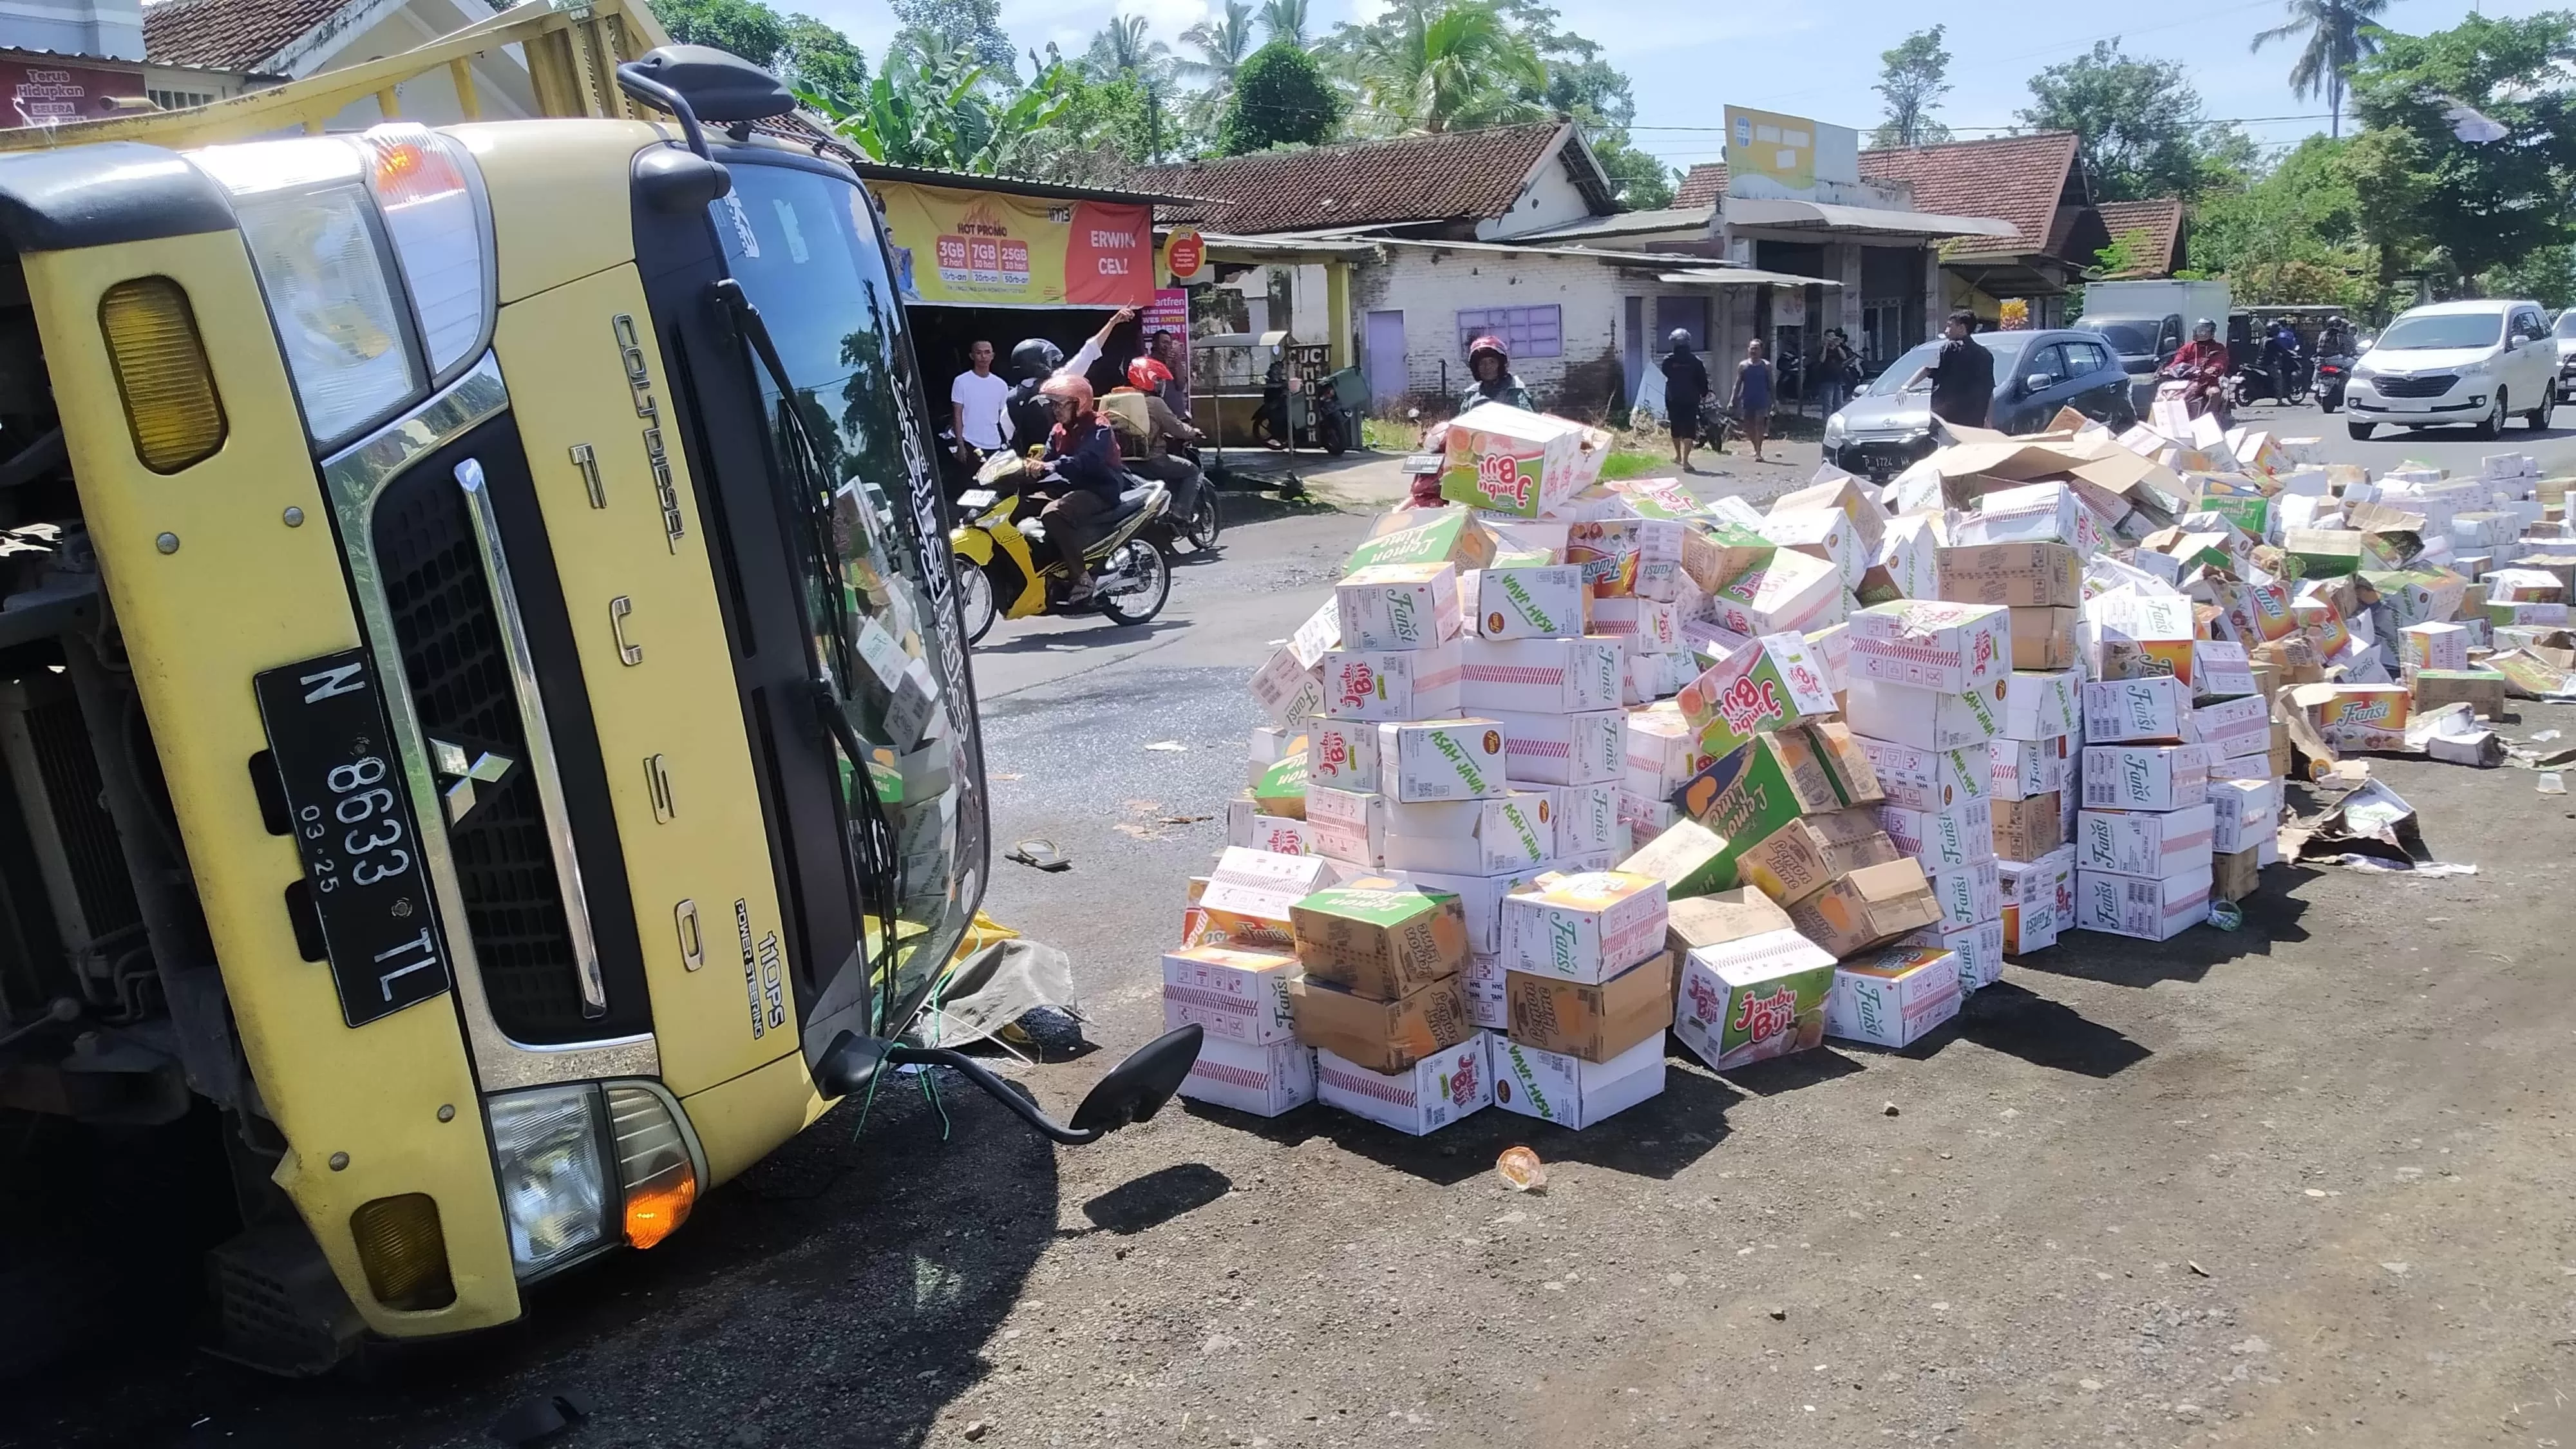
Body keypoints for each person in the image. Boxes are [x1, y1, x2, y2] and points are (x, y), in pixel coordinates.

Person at [1023, 374, 1126, 603]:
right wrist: (1028, 467)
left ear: (1079, 403)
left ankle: (1082, 578)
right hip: (1072, 485)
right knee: (1022, 505)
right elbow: (1047, 457)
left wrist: (1051, 465)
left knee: (1053, 513)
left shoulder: (1099, 427)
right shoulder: (1058, 430)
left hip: (1101, 488)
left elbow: (1088, 460)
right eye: (1052, 405)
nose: (1055, 410)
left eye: (1059, 404)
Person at [1001, 305, 1141, 446]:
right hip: (1057, 459)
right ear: (1036, 363)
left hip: (1040, 463)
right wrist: (1112, 322)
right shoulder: (1058, 382)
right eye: (1047, 359)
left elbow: (1008, 437)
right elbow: (1089, 352)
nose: (1052, 363)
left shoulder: (1012, 399)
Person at [1108, 356, 1210, 532]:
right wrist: (1193, 433)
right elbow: (1176, 427)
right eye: (1157, 380)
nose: (1160, 384)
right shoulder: (1154, 402)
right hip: (1153, 460)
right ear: (1146, 378)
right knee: (1192, 471)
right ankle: (1180, 513)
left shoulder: (1116, 399)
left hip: (1125, 461)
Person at [1906, 310, 1996, 430]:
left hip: (1947, 419)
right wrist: (1988, 419)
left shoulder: (1947, 349)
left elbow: (1927, 369)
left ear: (1962, 328)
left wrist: (1906, 386)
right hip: (1974, 421)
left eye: (1950, 326)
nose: (1946, 330)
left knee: (1947, 448)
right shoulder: (1986, 355)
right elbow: (1989, 390)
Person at [949, 339, 1009, 462]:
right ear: (972, 356)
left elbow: (1003, 418)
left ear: (992, 356)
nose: (983, 357)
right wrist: (960, 444)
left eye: (987, 353)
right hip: (969, 442)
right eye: (979, 353)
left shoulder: (1001, 385)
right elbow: (957, 415)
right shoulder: (961, 382)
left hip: (995, 444)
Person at [1658, 329, 1709, 472]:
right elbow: (1702, 380)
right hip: (1690, 398)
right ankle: (1686, 461)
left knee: (1675, 427)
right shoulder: (1695, 361)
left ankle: (1679, 456)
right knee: (1689, 429)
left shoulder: (1668, 361)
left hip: (1673, 398)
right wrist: (1704, 393)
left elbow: (1666, 373)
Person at [2166, 317, 2233, 423]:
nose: (2202, 333)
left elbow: (2220, 363)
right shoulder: (2188, 347)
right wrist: (2168, 370)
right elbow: (2177, 362)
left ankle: (2208, 420)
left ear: (2212, 332)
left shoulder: (2218, 348)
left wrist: (2213, 369)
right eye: (2199, 330)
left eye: (2205, 330)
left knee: (2215, 393)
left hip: (2208, 382)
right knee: (2169, 394)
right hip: (2187, 382)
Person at [1460, 334, 1535, 413]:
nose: (1487, 367)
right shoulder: (1471, 394)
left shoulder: (1515, 392)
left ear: (1501, 365)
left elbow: (1527, 421)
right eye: (1482, 363)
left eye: (1492, 362)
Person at [1730, 337, 1776, 463]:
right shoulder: (1743, 366)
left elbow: (1771, 384)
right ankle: (1756, 447)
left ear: (1761, 350)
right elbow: (1738, 384)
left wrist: (1774, 402)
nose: (1753, 351)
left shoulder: (1766, 366)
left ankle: (1759, 452)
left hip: (1762, 399)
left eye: (1756, 348)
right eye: (1751, 348)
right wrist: (1732, 400)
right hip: (1748, 399)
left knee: (1759, 425)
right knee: (1748, 427)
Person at [1817, 330, 1859, 418]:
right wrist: (1825, 346)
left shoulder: (1838, 349)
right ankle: (1825, 421)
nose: (1832, 339)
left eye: (1833, 336)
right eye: (1830, 337)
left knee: (1839, 402)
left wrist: (1838, 346)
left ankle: (1836, 419)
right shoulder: (1823, 349)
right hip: (1827, 379)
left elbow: (1844, 357)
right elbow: (1822, 360)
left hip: (1838, 378)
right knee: (1828, 403)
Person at [2263, 318, 2303, 402]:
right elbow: (2285, 349)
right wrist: (2293, 354)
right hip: (2279, 359)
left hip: (2268, 360)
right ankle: (2280, 400)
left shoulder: (2264, 339)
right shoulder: (2288, 335)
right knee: (2279, 379)